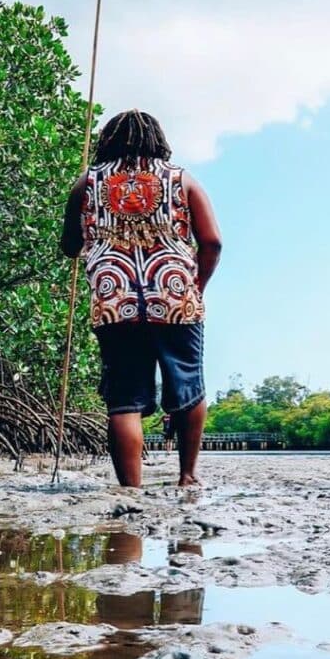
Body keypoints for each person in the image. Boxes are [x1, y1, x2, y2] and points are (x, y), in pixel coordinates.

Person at [60, 110, 222, 488]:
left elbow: (70, 246)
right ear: (158, 140)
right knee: (188, 383)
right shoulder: (182, 180)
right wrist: (198, 282)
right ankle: (187, 475)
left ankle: (131, 489)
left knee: (124, 397)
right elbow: (211, 241)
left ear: (107, 141)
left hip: (114, 296)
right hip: (175, 292)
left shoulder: (87, 182)